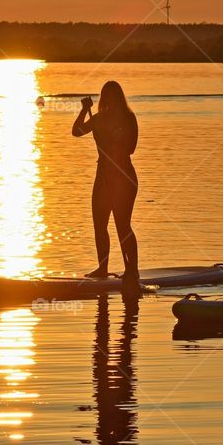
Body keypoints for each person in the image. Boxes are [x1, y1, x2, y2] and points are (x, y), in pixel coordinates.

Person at [72, 81, 140, 290]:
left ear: (118, 97)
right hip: (102, 178)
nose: (109, 99)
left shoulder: (128, 118)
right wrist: (84, 109)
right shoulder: (98, 119)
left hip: (123, 178)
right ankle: (103, 268)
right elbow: (77, 131)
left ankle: (132, 270)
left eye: (112, 95)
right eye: (106, 95)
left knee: (122, 225)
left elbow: (131, 148)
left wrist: (111, 138)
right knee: (99, 225)